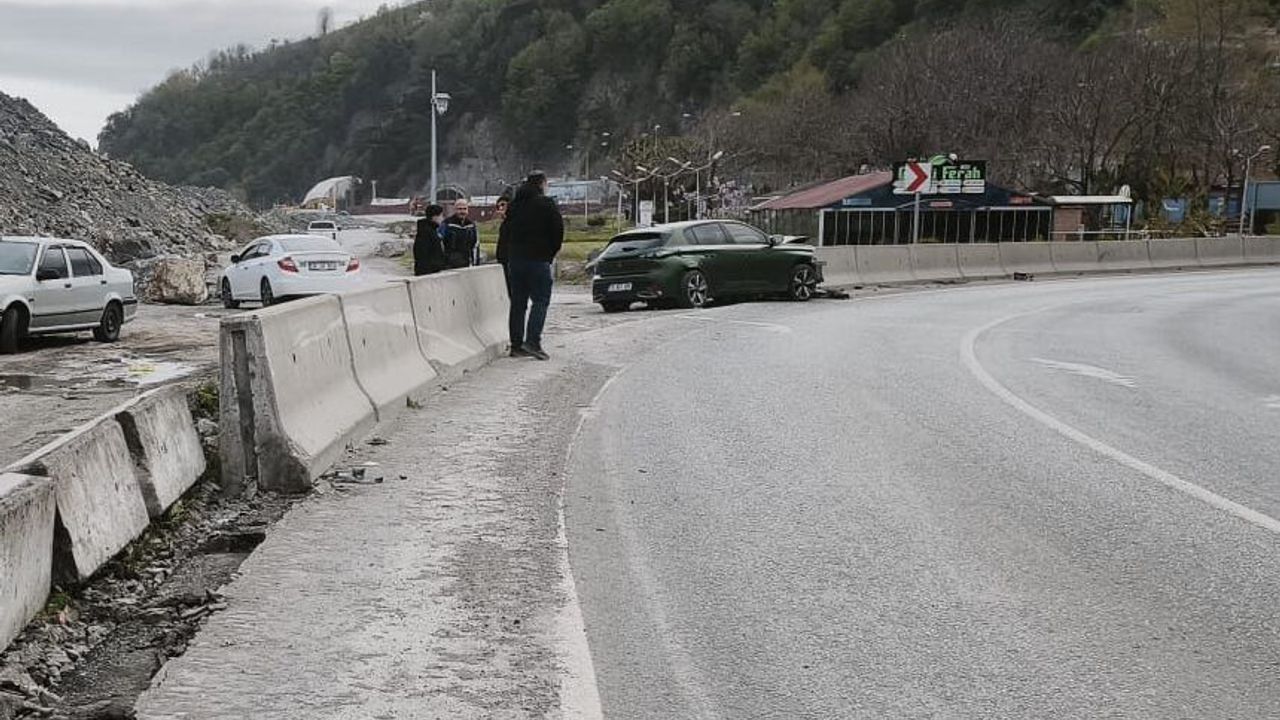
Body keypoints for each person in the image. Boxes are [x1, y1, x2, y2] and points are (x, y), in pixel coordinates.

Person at [503, 172, 563, 360]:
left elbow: (505, 232)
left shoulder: (514, 205)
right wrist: (550, 254)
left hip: (515, 260)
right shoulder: (546, 204)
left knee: (518, 303)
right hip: (538, 259)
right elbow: (557, 231)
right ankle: (532, 342)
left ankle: (516, 345)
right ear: (542, 184)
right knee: (540, 300)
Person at [443, 198, 478, 269]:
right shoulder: (447, 224)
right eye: (459, 209)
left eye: (464, 209)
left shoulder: (471, 225)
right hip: (450, 264)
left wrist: (475, 262)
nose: (462, 211)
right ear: (455, 210)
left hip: (467, 263)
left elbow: (475, 244)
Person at [413, 204, 447, 276]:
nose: (443, 218)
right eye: (441, 216)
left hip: (432, 271)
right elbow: (422, 254)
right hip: (427, 273)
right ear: (434, 217)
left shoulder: (432, 230)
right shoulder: (426, 232)